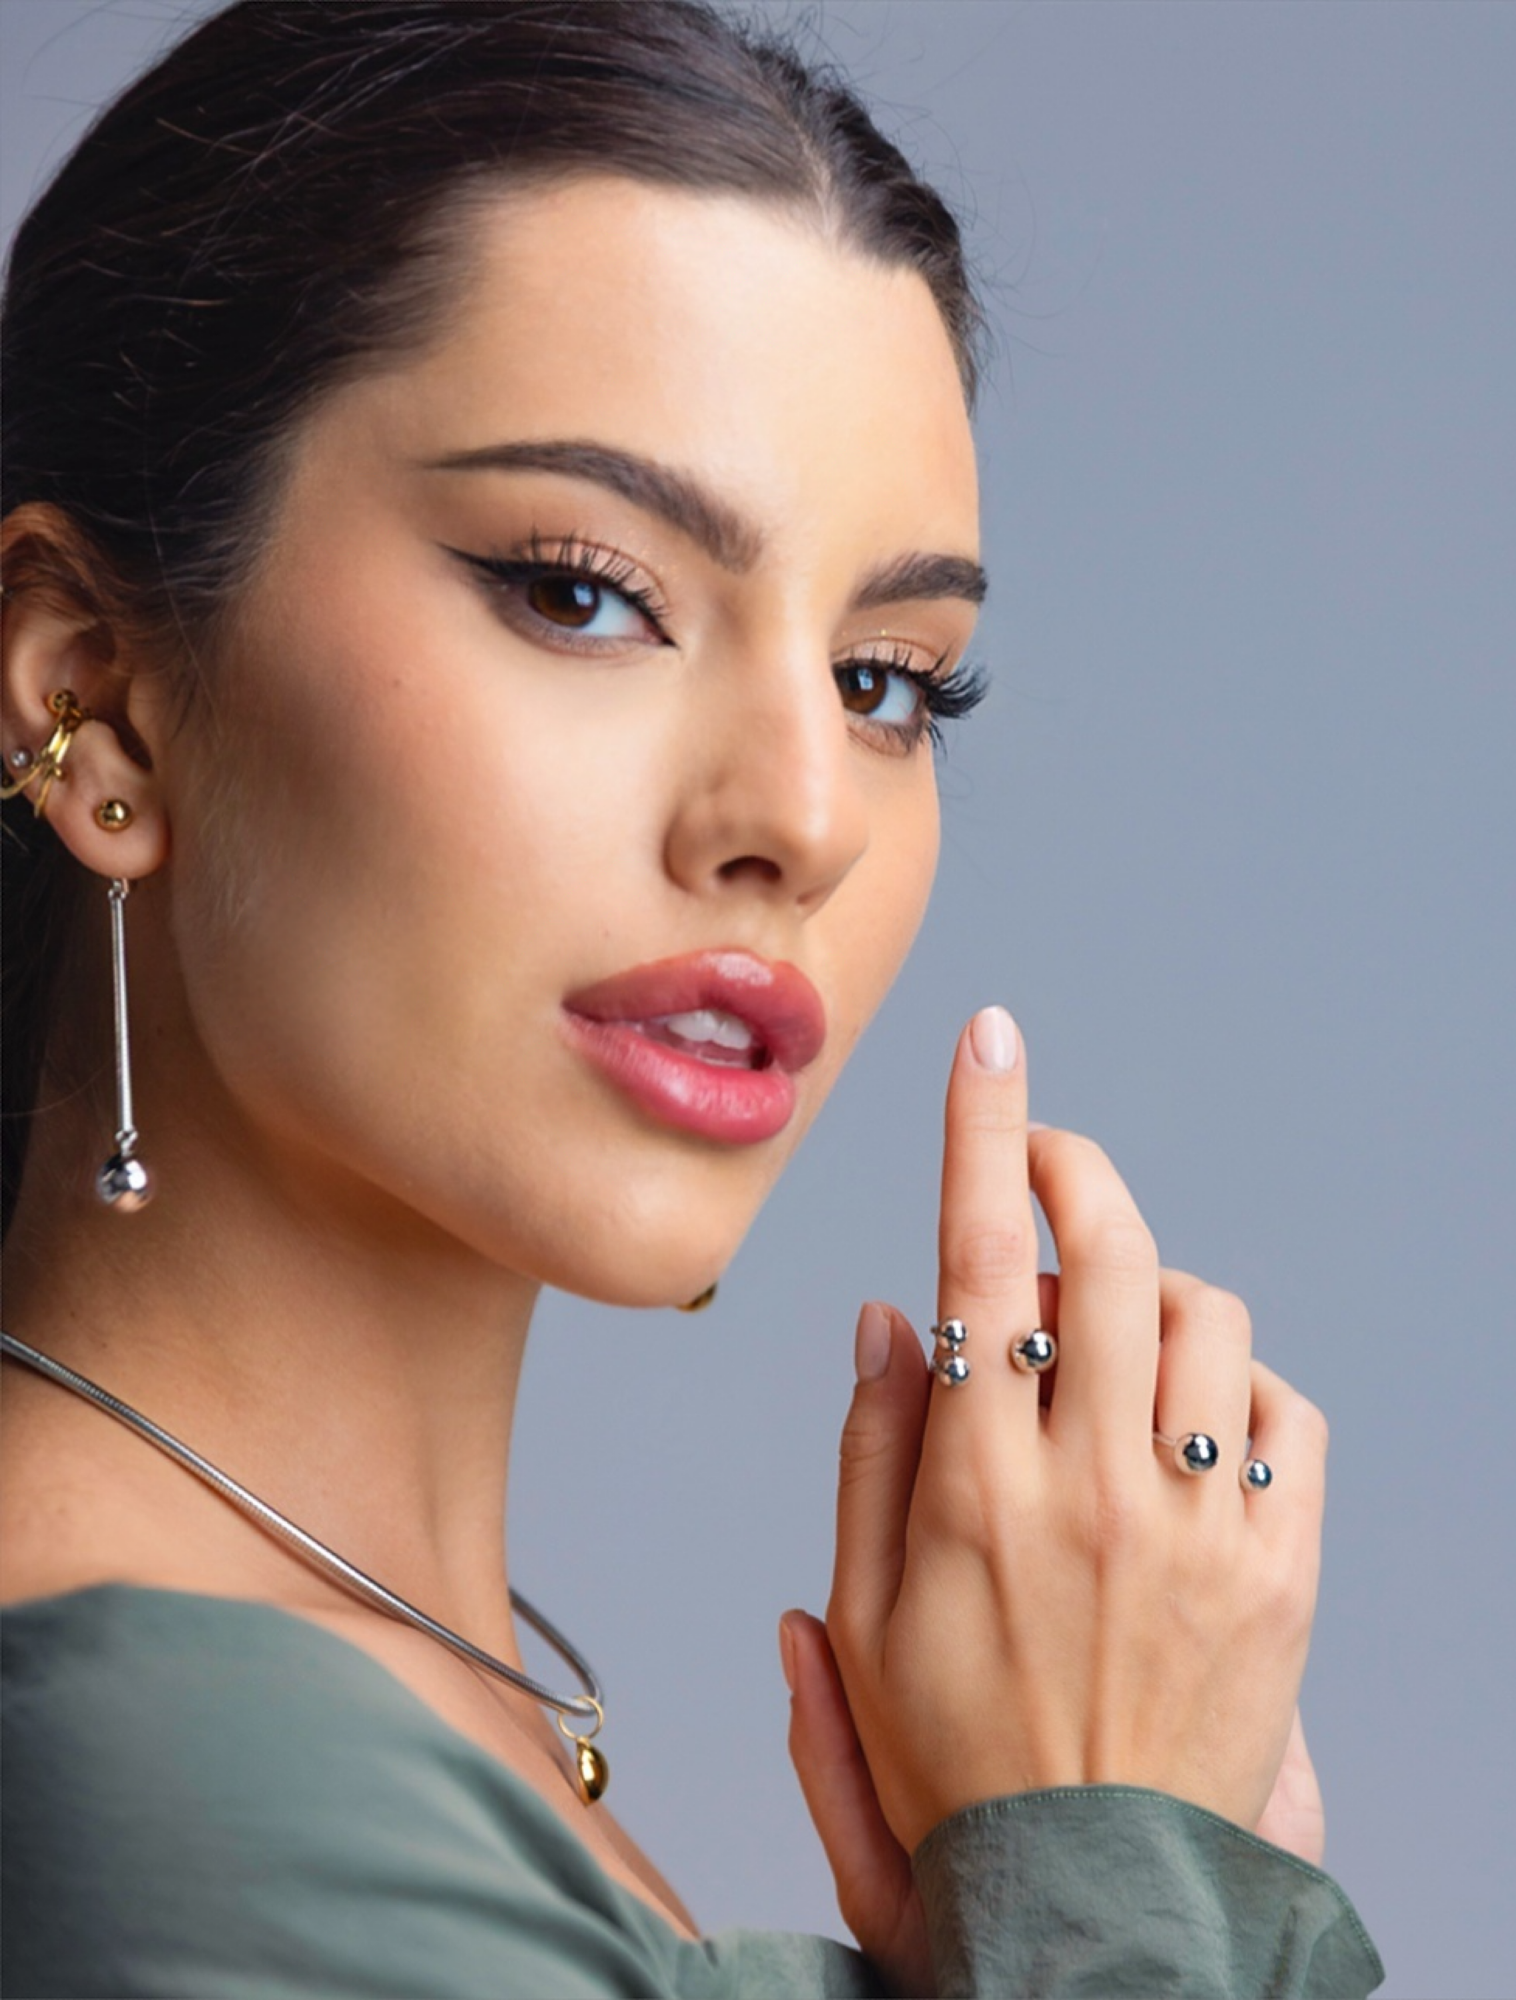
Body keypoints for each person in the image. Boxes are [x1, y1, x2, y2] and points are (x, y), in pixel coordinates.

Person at [0, 4, 1384, 1993]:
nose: (801, 817)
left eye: (886, 677)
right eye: (584, 587)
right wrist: (1119, 1881)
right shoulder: (151, 1775)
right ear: (94, 695)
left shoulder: (385, 1716)